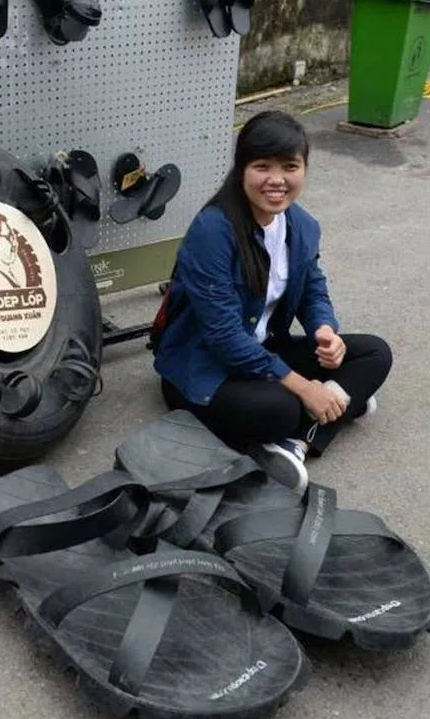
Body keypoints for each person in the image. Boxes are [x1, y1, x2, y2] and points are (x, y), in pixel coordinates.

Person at [152, 110, 392, 493]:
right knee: (282, 407)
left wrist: (324, 330)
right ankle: (335, 406)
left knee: (375, 353)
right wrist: (303, 386)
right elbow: (224, 336)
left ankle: (296, 441)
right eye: (262, 166)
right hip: (203, 368)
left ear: (304, 169)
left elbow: (313, 287)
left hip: (263, 350)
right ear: (242, 169)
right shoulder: (212, 231)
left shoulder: (302, 225)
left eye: (290, 166)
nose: (276, 180)